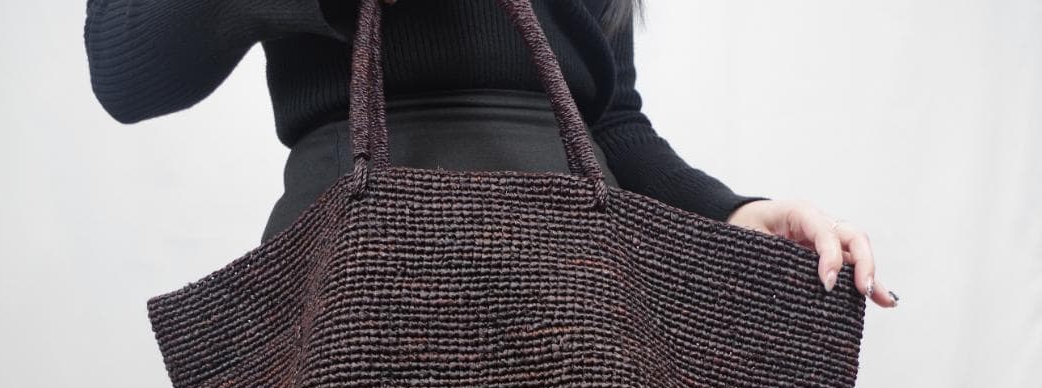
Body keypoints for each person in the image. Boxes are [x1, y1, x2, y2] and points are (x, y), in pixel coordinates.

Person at [83, 0, 897, 309]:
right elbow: (124, 64)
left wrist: (735, 214)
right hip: (357, 292)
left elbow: (608, 119)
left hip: (573, 301)